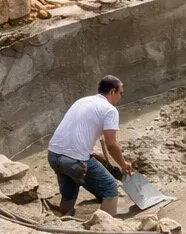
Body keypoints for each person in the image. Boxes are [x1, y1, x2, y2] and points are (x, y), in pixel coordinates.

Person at [48, 75, 132, 218]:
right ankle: (106, 225)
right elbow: (112, 144)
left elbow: (83, 131)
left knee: (70, 189)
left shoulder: (83, 101)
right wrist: (123, 164)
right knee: (110, 187)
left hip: (53, 155)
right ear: (113, 92)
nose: (121, 97)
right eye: (121, 93)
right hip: (75, 161)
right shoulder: (110, 110)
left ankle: (64, 216)